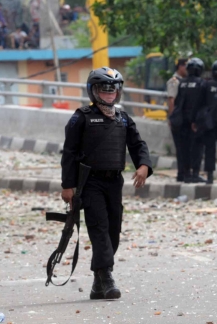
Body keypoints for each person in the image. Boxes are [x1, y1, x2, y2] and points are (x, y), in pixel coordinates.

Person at [61, 67, 153, 300]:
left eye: (114, 90)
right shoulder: (80, 117)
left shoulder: (123, 118)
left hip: (114, 183)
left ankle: (97, 282)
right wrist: (67, 186)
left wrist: (143, 165)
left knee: (113, 232)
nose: (110, 94)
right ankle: (108, 278)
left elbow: (138, 144)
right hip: (90, 183)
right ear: (94, 91)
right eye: (104, 90)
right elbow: (69, 154)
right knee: (99, 228)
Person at [172, 58, 206, 183]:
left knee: (184, 148)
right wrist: (197, 121)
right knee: (197, 148)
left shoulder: (182, 83)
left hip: (181, 122)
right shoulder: (202, 84)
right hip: (194, 123)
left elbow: (177, 102)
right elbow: (202, 105)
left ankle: (185, 174)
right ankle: (195, 174)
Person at [166, 58, 187, 182]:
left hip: (184, 118)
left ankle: (185, 172)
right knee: (180, 147)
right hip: (178, 118)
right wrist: (172, 117)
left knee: (185, 147)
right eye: (186, 66)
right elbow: (171, 100)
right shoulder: (174, 81)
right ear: (180, 66)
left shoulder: (185, 81)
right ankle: (181, 173)